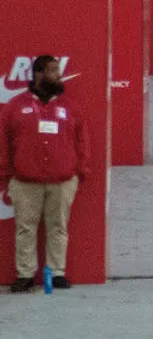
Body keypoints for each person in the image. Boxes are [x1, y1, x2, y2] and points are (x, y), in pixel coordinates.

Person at [0, 55, 90, 292]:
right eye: (52, 71)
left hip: (61, 180)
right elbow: (4, 141)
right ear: (38, 74)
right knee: (25, 229)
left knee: (58, 227)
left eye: (57, 70)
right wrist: (7, 174)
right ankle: (25, 274)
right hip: (25, 181)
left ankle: (57, 272)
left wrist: (79, 172)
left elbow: (82, 141)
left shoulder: (70, 106)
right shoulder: (16, 106)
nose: (58, 76)